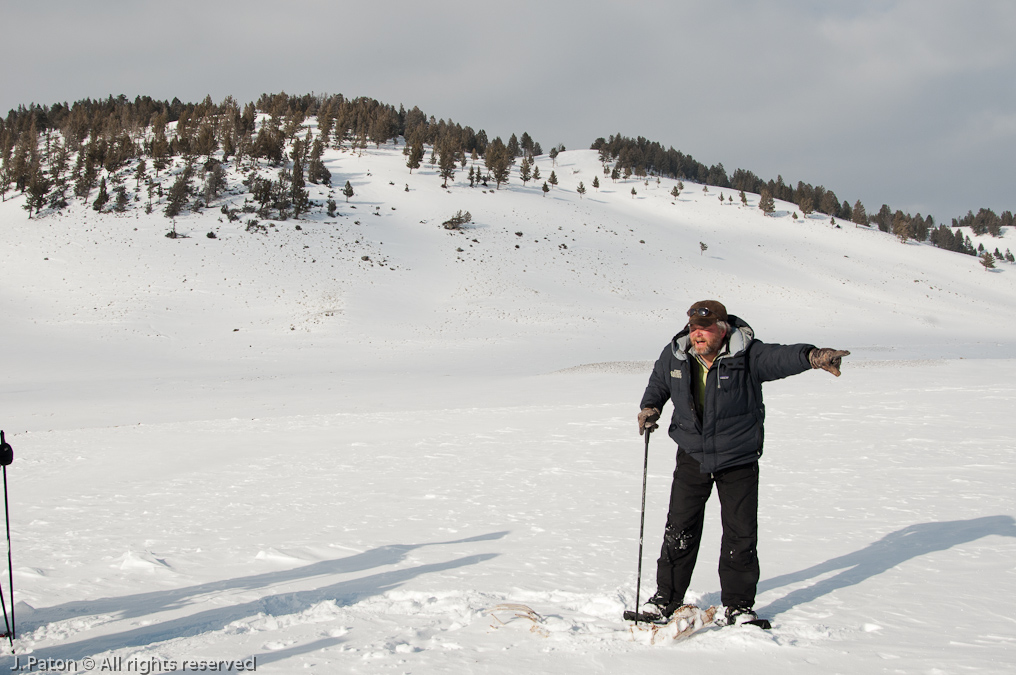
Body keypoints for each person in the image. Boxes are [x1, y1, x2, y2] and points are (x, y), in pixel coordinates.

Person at [637, 300, 848, 626]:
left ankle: (738, 605)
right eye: (694, 329)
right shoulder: (676, 355)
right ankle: (666, 598)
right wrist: (650, 407)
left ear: (722, 330)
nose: (698, 335)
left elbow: (781, 357)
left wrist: (813, 356)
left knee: (740, 535)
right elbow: (659, 382)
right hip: (692, 455)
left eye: (705, 330)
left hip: (738, 458)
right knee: (679, 530)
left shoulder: (747, 355)